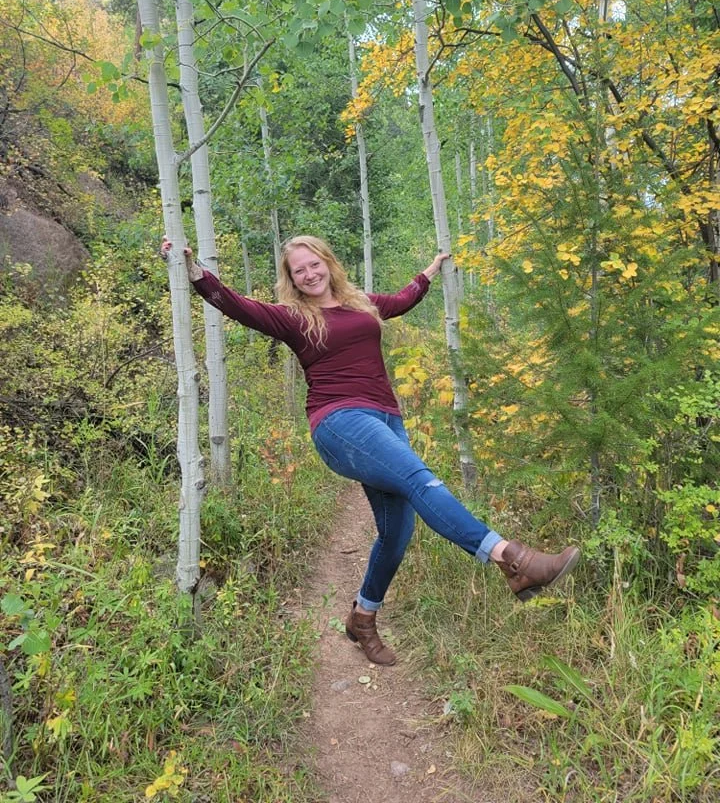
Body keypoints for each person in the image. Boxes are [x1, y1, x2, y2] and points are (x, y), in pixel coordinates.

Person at [161, 234, 580, 666]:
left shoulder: (360, 303)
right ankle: (512, 558)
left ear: (327, 262)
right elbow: (234, 305)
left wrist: (430, 272)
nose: (309, 274)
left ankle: (363, 618)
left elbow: (401, 300)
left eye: (314, 264)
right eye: (298, 270)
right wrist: (194, 271)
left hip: (386, 419)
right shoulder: (292, 317)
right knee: (420, 479)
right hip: (339, 421)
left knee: (397, 532)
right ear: (290, 279)